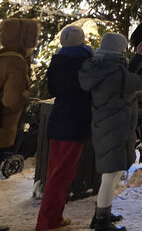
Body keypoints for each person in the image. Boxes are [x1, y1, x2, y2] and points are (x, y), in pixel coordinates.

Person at [79, 32, 142, 231]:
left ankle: (103, 212)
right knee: (111, 175)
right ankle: (101, 221)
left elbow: (125, 76)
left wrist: (138, 57)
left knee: (113, 171)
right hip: (115, 127)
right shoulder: (114, 73)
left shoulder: (104, 68)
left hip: (108, 124)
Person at [35, 25, 95, 231]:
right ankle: (47, 222)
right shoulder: (86, 60)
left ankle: (54, 217)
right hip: (75, 121)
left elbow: (52, 89)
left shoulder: (57, 60)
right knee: (61, 175)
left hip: (59, 118)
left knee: (57, 172)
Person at [0, 18, 40, 156]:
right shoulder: (16, 62)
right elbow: (10, 100)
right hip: (3, 128)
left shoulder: (3, 56)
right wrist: (26, 96)